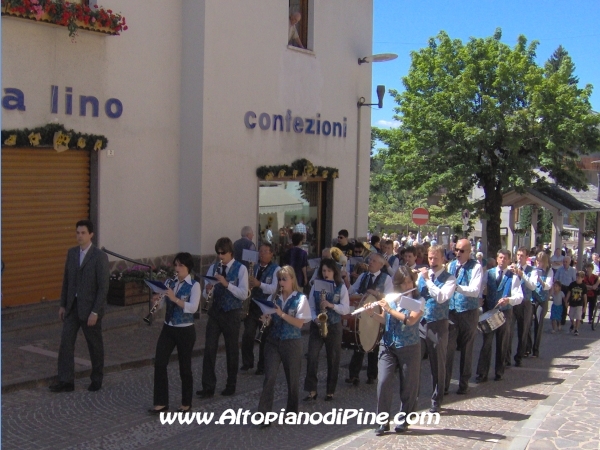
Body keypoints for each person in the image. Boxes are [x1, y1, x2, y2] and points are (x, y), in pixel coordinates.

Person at [49, 220, 109, 393]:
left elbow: (103, 287)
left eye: (83, 233)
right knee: (66, 342)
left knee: (94, 345)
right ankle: (66, 380)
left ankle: (97, 378)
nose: (79, 236)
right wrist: (62, 304)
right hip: (72, 307)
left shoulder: (99, 257)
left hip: (90, 309)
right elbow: (67, 281)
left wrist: (95, 311)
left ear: (91, 235)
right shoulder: (72, 253)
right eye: (77, 233)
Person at [257, 266, 311, 427]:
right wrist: (267, 320)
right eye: (279, 279)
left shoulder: (300, 298)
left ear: (292, 280)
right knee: (269, 378)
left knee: (292, 380)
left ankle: (292, 412)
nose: (281, 283)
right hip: (273, 341)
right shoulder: (274, 297)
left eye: (284, 279)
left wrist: (281, 314)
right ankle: (264, 416)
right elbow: (272, 319)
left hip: (292, 342)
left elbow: (299, 323)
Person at [374, 266, 424, 435]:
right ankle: (382, 421)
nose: (406, 286)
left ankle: (404, 420)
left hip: (409, 346)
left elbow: (409, 320)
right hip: (388, 344)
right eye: (402, 283)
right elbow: (385, 319)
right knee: (383, 381)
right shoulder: (392, 297)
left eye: (409, 282)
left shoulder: (417, 300)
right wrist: (373, 313)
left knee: (408, 386)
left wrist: (390, 309)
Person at [148, 253, 200, 414]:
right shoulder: (170, 282)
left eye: (181, 266)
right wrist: (157, 301)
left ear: (188, 268)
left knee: (184, 367)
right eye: (176, 265)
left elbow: (193, 308)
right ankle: (161, 402)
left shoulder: (194, 285)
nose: (177, 269)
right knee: (160, 362)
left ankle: (186, 402)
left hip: (185, 329)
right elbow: (163, 302)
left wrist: (175, 299)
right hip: (168, 327)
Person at [197, 238, 249, 398]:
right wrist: (208, 290)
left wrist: (227, 284)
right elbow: (206, 294)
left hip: (232, 312)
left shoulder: (241, 269)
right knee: (209, 348)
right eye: (218, 253)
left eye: (223, 253)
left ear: (230, 252)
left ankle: (231, 384)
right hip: (215, 312)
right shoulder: (213, 267)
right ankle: (208, 386)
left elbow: (243, 293)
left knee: (232, 350)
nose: (220, 256)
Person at [417, 245, 456, 413]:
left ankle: (437, 398)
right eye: (430, 258)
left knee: (437, 363)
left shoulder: (449, 279)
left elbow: (441, 297)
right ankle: (413, 398)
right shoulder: (422, 276)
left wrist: (426, 280)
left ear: (442, 259)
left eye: (435, 258)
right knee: (414, 361)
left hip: (438, 323)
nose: (432, 261)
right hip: (420, 322)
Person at [304, 259, 350, 401]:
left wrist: (331, 305)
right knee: (312, 356)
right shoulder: (315, 286)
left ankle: (330, 390)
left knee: (333, 358)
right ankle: (312, 390)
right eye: (324, 271)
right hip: (317, 325)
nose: (326, 273)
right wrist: (314, 319)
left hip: (334, 325)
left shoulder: (340, 287)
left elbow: (346, 309)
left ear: (334, 272)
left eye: (329, 271)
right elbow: (310, 306)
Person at [476, 249, 523, 383]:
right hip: (490, 310)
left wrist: (509, 300)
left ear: (509, 260)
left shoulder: (512, 277)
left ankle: (499, 371)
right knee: (487, 342)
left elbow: (519, 296)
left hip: (505, 311)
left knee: (502, 342)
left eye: (505, 258)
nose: (503, 261)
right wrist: (480, 298)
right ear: (497, 259)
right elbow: (480, 289)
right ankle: (482, 373)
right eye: (501, 258)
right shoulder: (488, 273)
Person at [346, 253, 393, 385]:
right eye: (370, 260)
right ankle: (354, 374)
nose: (370, 262)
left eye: (373, 261)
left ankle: (372, 374)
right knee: (359, 342)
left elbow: (390, 297)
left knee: (375, 344)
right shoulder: (363, 276)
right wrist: (346, 281)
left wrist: (377, 294)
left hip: (377, 315)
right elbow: (352, 291)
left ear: (381, 264)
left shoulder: (386, 279)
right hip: (362, 315)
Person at [445, 239, 482, 395]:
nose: (458, 253)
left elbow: (475, 290)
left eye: (462, 251)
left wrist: (457, 288)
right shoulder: (451, 265)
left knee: (467, 349)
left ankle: (463, 383)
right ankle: (444, 385)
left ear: (469, 252)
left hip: (468, 311)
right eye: (457, 250)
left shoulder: (476, 267)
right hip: (452, 312)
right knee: (448, 348)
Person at [241, 243, 280, 375]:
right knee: (247, 334)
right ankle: (247, 362)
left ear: (271, 254)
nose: (262, 254)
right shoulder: (254, 267)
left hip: (266, 307)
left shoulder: (276, 269)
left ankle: (262, 365)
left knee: (264, 338)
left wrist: (259, 284)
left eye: (265, 251)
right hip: (252, 305)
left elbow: (274, 288)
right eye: (260, 251)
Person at [508, 247, 538, 367]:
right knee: (508, 331)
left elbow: (533, 286)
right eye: (518, 255)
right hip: (513, 302)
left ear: (527, 258)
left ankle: (519, 356)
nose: (519, 258)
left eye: (522, 256)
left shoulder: (532, 270)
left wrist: (523, 275)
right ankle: (506, 357)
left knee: (523, 331)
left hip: (526, 303)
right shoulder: (512, 268)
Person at [554, 256, 576, 327]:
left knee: (566, 303)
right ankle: (560, 319)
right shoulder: (560, 269)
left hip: (569, 288)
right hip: (561, 287)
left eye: (566, 262)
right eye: (564, 262)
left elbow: (574, 281)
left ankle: (564, 319)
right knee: (561, 303)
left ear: (569, 262)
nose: (565, 263)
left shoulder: (572, 270)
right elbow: (555, 279)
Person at [565, 271, 587, 336]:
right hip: (572, 303)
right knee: (570, 315)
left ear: (582, 278)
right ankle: (573, 324)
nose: (577, 279)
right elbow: (569, 292)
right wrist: (566, 301)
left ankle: (576, 329)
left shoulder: (583, 286)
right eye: (577, 277)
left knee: (578, 317)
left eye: (579, 278)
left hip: (579, 304)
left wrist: (585, 306)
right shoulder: (572, 284)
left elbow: (585, 296)